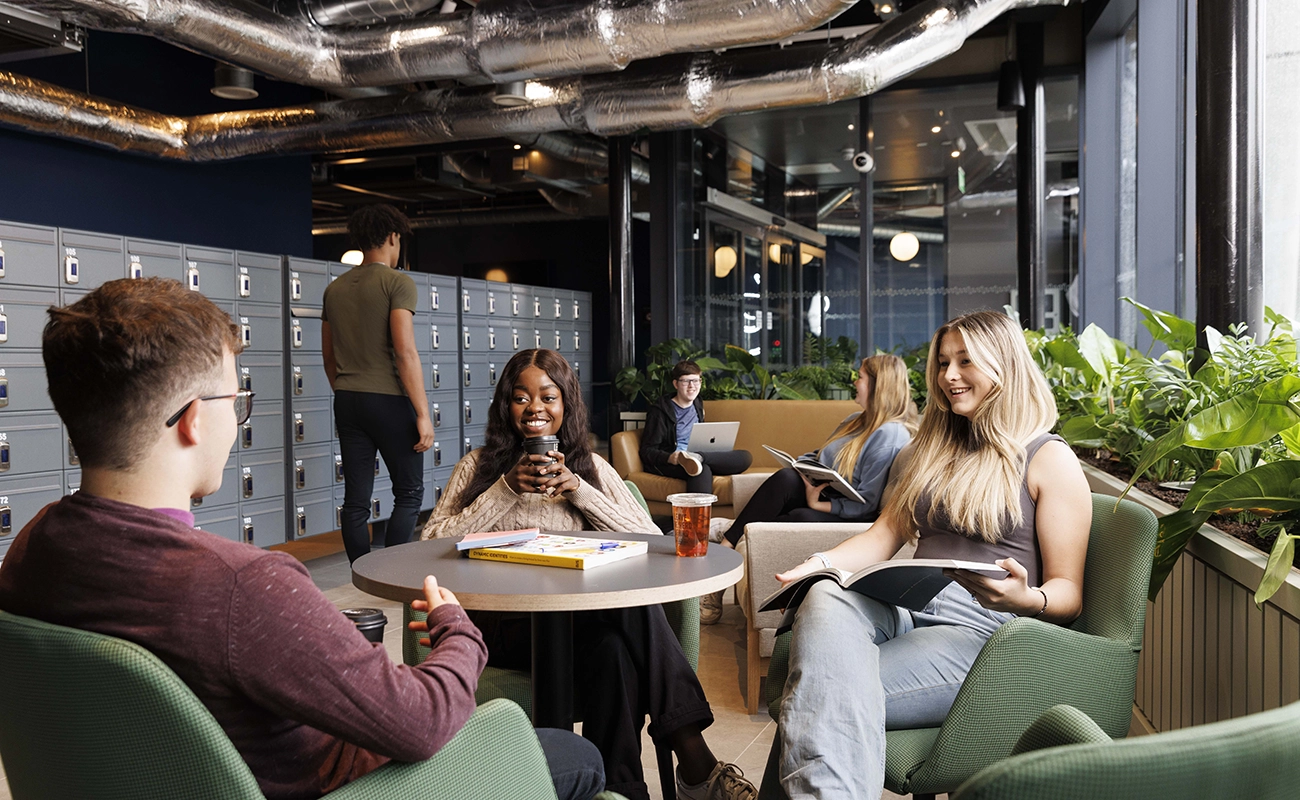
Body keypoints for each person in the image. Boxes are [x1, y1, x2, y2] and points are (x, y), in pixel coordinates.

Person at [0, 278, 605, 800]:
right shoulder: (245, 585)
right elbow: (422, 723)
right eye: (237, 401)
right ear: (191, 419)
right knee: (574, 758)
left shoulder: (32, 550)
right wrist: (458, 633)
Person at [768, 311, 1092, 800]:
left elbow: (1069, 594)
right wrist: (823, 564)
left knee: (817, 692)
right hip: (907, 603)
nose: (949, 376)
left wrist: (1027, 598)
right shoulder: (933, 450)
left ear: (1003, 365)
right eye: (943, 363)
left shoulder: (1049, 458)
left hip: (981, 633)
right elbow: (884, 534)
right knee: (825, 596)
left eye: (965, 361)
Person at [422, 348, 757, 800]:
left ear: (566, 405)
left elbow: (649, 536)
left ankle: (621, 792)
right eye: (521, 398)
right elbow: (428, 545)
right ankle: (695, 759)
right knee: (626, 619)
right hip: (500, 624)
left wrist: (580, 491)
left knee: (614, 651)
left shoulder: (591, 468)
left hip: (579, 623)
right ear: (507, 406)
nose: (535, 408)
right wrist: (504, 490)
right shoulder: (478, 466)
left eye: (548, 397)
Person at [322, 204, 433, 563]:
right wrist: (422, 413)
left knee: (355, 499)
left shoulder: (335, 289)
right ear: (392, 237)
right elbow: (405, 352)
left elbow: (328, 356)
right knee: (409, 492)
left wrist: (344, 389)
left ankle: (359, 569)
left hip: (348, 399)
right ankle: (393, 568)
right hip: (388, 401)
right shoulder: (398, 282)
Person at [718, 353, 917, 550]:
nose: (854, 382)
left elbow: (867, 505)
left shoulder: (890, 434)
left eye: (860, 377)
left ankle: (731, 535)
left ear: (877, 385)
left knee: (800, 516)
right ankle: (731, 541)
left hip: (850, 513)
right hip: (825, 492)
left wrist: (817, 505)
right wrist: (802, 466)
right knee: (787, 478)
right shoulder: (855, 420)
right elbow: (821, 454)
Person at [639, 359, 753, 494]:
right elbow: (647, 451)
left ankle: (699, 457)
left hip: (697, 455)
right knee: (701, 470)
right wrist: (670, 458)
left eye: (696, 380)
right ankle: (699, 515)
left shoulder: (697, 403)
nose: (691, 386)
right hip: (674, 462)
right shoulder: (660, 411)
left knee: (745, 457)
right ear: (675, 384)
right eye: (686, 381)